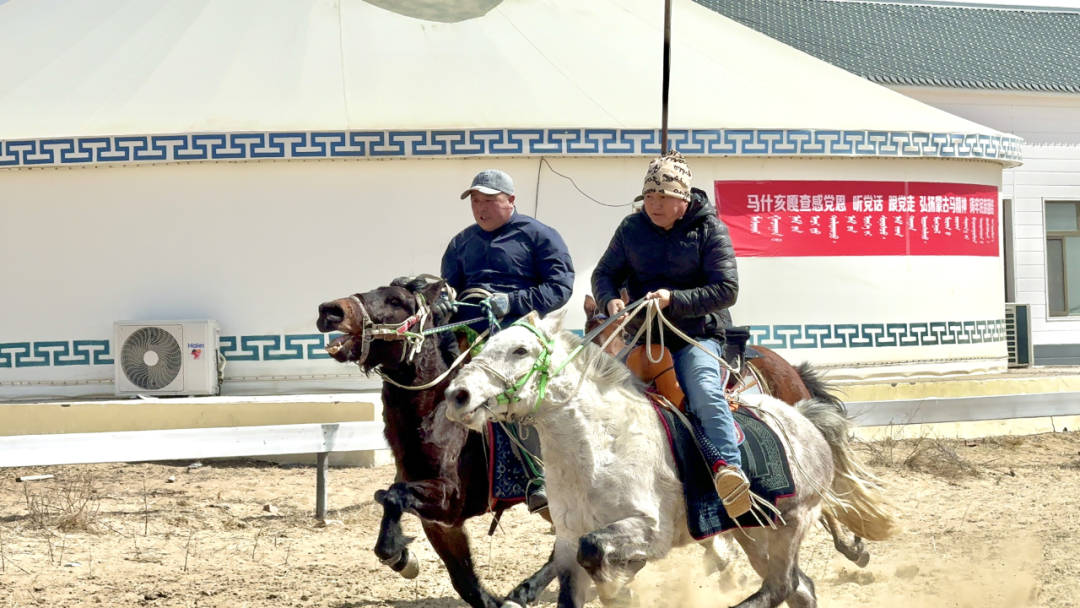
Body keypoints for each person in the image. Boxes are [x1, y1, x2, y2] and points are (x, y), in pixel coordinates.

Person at [591, 151, 751, 518]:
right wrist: (610, 299)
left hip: (696, 336)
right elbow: (604, 274)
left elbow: (727, 289)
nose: (654, 205)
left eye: (663, 197)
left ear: (683, 199)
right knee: (601, 394)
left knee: (704, 392)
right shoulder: (630, 229)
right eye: (649, 197)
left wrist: (673, 299)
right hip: (643, 337)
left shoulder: (710, 229)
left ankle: (731, 473)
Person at [438, 169, 575, 513]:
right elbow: (450, 288)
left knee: (515, 400)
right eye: (475, 201)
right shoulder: (461, 242)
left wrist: (513, 302)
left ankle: (536, 476)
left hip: (519, 338)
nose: (480, 208)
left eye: (488, 200)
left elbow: (560, 287)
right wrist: (442, 300)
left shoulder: (539, 235)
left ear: (510, 200)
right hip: (469, 332)